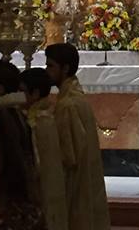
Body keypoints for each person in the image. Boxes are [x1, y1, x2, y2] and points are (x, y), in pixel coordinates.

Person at [45, 44, 109, 230]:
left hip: (75, 184)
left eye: (50, 66)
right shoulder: (74, 97)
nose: (47, 71)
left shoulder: (68, 105)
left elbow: (67, 156)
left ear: (65, 68)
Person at [20, 70, 67, 230]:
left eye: (22, 91)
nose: (18, 96)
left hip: (41, 189)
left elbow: (37, 163)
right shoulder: (45, 117)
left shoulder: (38, 122)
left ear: (35, 94)